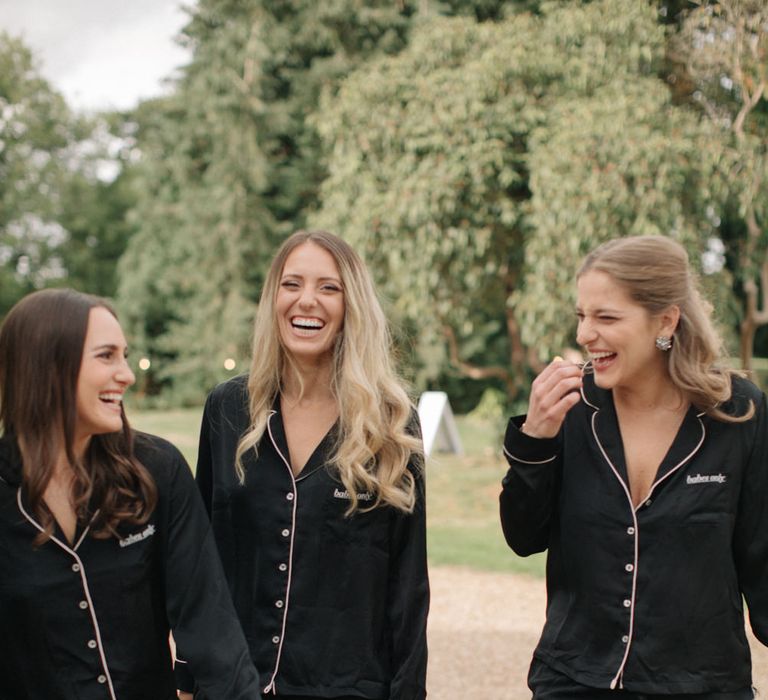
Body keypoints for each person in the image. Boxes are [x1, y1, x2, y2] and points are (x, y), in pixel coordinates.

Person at [500, 235, 767, 699]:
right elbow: (523, 537)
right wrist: (536, 435)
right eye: (582, 316)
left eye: (606, 317)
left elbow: (762, 562)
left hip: (703, 686)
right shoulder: (570, 407)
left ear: (665, 321)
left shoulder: (739, 414)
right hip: (574, 681)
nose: (584, 335)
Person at [175, 230, 429, 700]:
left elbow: (408, 584)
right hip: (234, 685)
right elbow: (202, 562)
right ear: (274, 297)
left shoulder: (391, 422)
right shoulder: (228, 408)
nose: (306, 301)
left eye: (328, 287)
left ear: (353, 304)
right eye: (292, 284)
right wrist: (186, 678)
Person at [0, 288, 261, 700]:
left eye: (125, 355)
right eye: (107, 356)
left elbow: (212, 630)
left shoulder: (157, 469)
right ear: (46, 366)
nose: (127, 374)